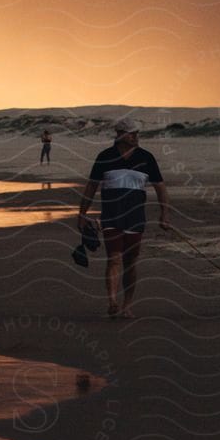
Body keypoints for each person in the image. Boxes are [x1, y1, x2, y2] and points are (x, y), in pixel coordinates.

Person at [77, 120, 170, 319]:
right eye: (131, 133)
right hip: (111, 217)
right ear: (119, 134)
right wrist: (82, 213)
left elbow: (160, 187)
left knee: (130, 262)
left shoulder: (146, 158)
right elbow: (91, 186)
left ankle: (127, 304)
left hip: (136, 218)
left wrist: (164, 214)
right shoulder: (105, 157)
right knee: (114, 258)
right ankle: (112, 301)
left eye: (136, 133)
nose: (135, 137)